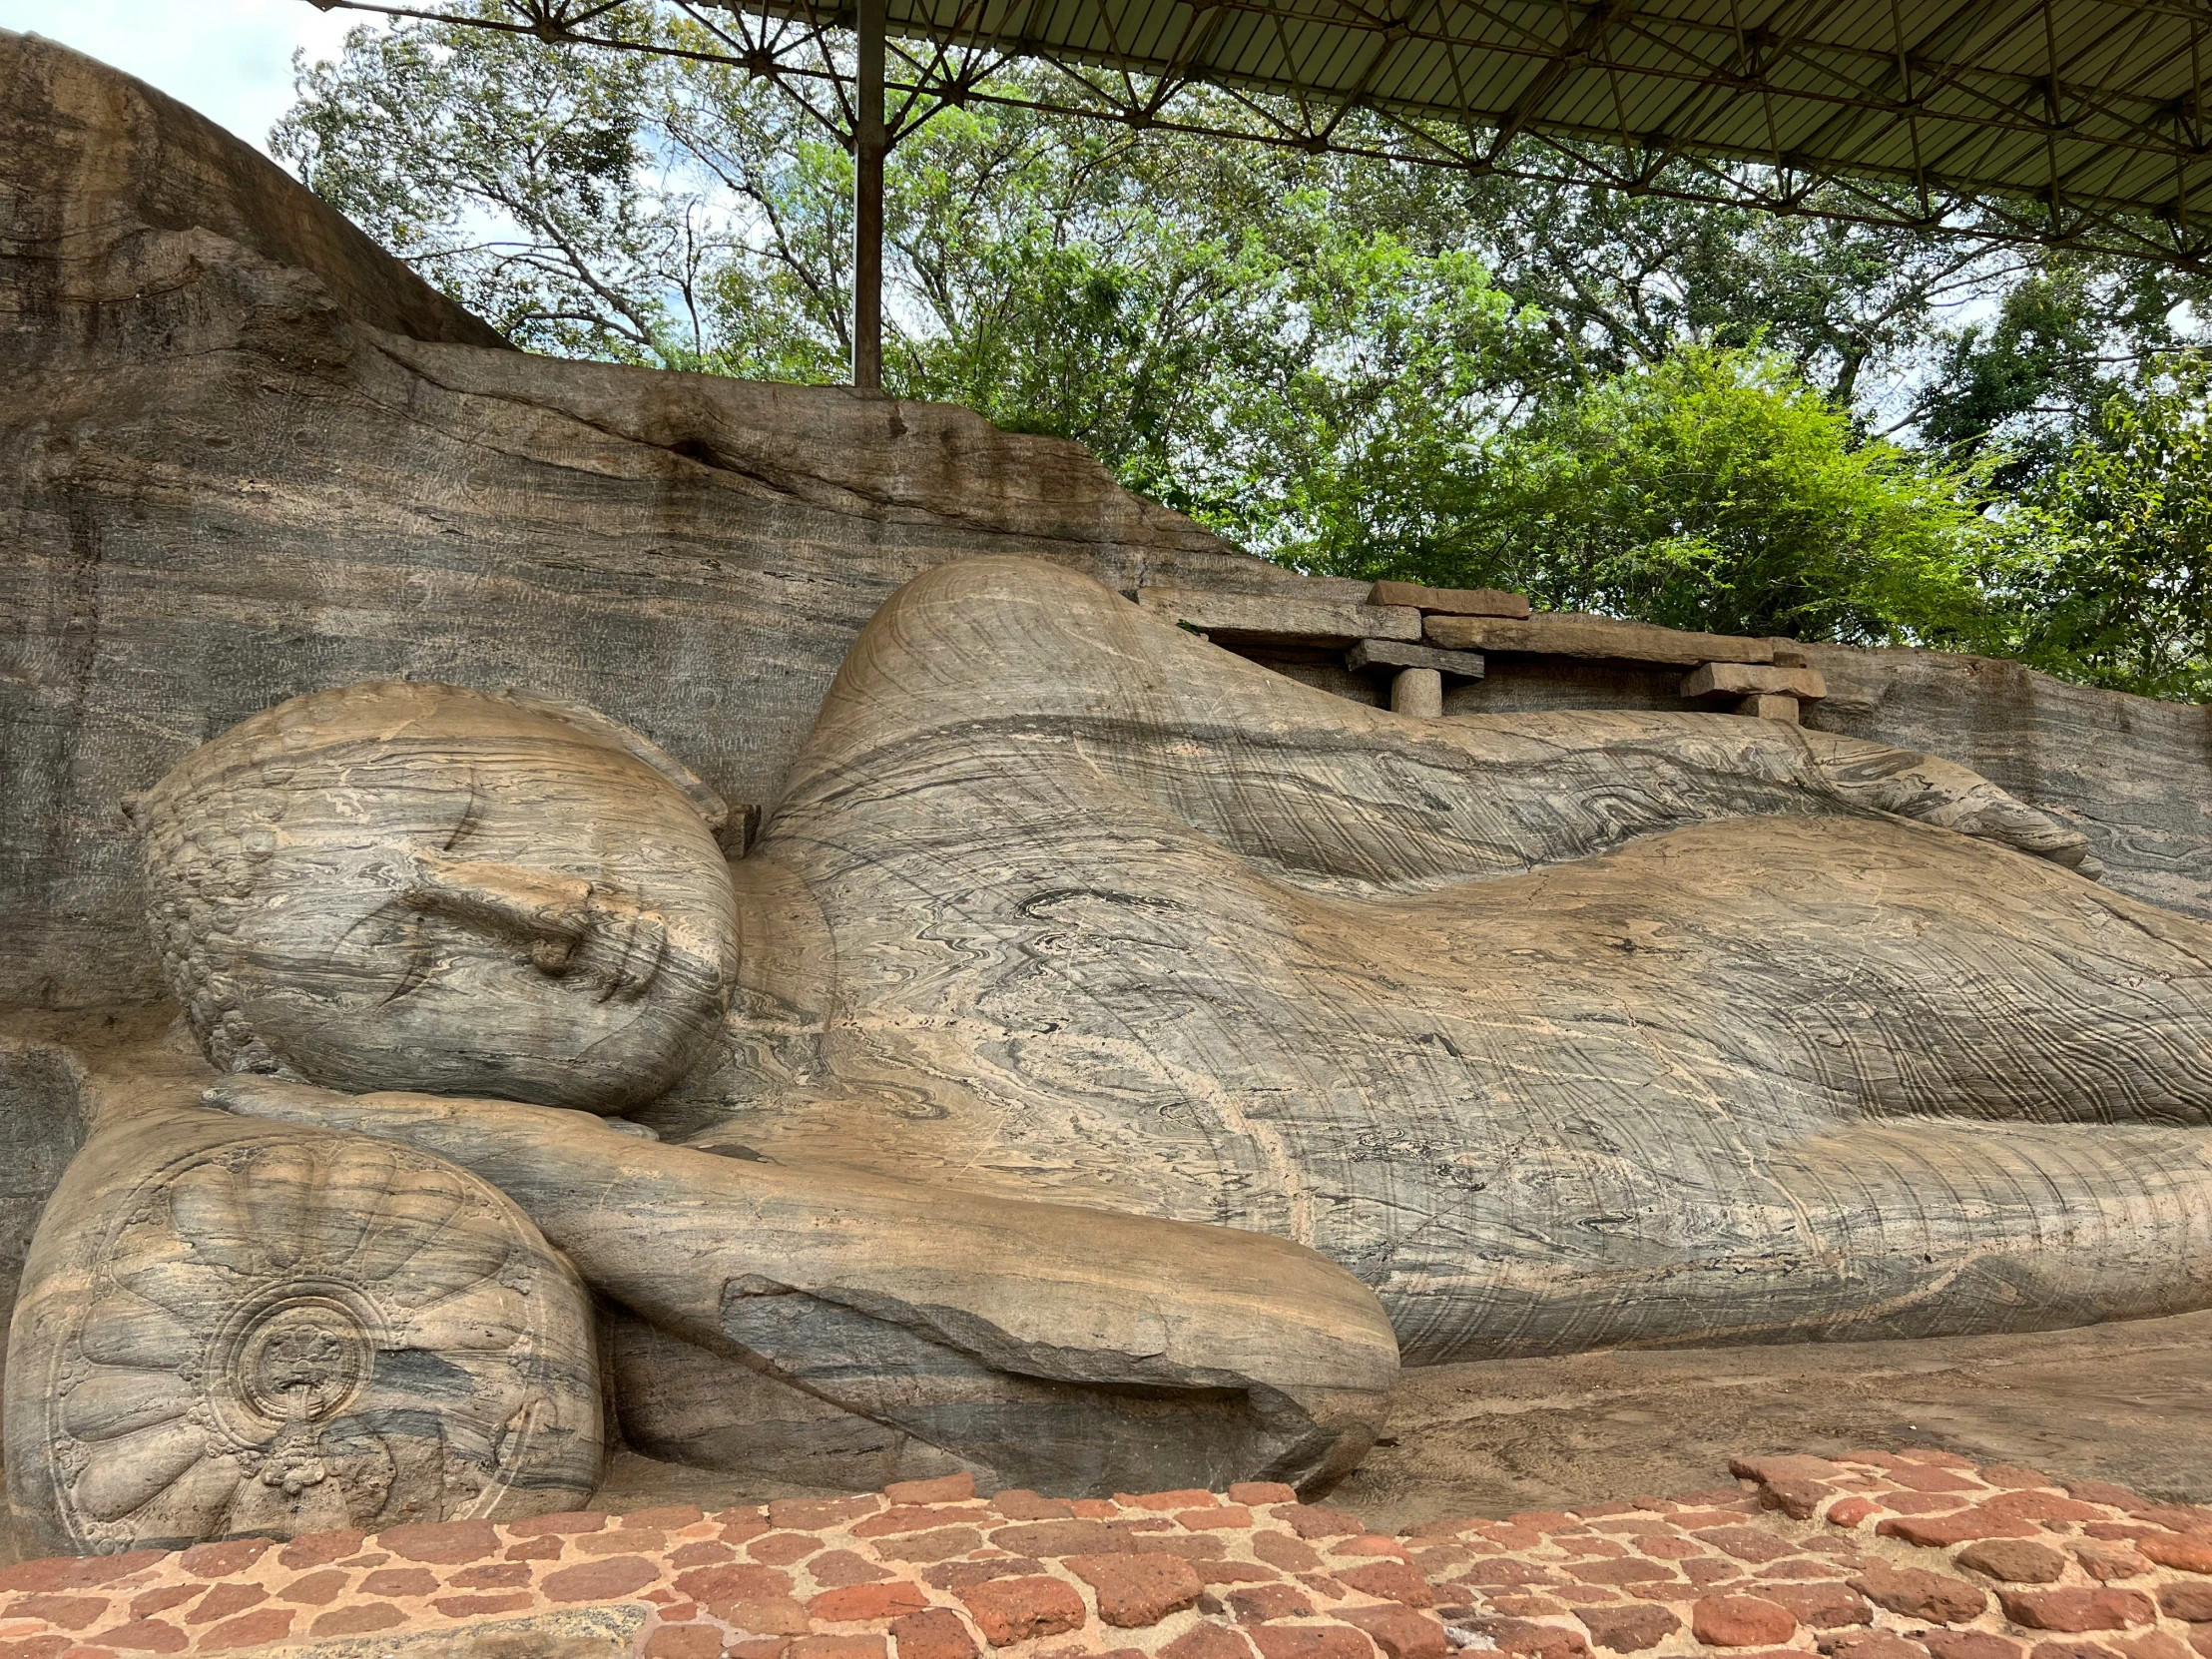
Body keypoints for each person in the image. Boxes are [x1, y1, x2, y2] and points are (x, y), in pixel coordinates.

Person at [145, 556, 2212, 1377]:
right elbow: (1295, 1360)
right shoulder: (807, 1196)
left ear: (604, 749)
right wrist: (567, 1183)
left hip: (1741, 953)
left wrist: (1897, 804)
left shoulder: (958, 707)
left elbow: (1486, 798)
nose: (526, 916)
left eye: (482, 829)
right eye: (407, 965)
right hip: (1739, 1226)